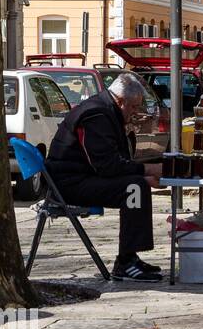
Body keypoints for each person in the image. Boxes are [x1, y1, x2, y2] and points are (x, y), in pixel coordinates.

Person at [46, 72, 165, 282]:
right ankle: (126, 262)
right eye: (133, 107)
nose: (135, 112)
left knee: (135, 186)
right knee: (134, 188)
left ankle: (130, 257)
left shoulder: (106, 110)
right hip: (69, 184)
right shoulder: (96, 115)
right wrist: (147, 171)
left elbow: (113, 160)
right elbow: (107, 165)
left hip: (79, 177)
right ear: (120, 101)